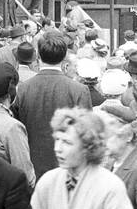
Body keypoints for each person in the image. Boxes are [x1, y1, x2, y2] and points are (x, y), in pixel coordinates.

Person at [15, 29, 92, 178]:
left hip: (32, 170)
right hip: (69, 172)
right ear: (64, 56)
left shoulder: (22, 89)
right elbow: (87, 135)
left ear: (37, 55)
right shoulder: (79, 90)